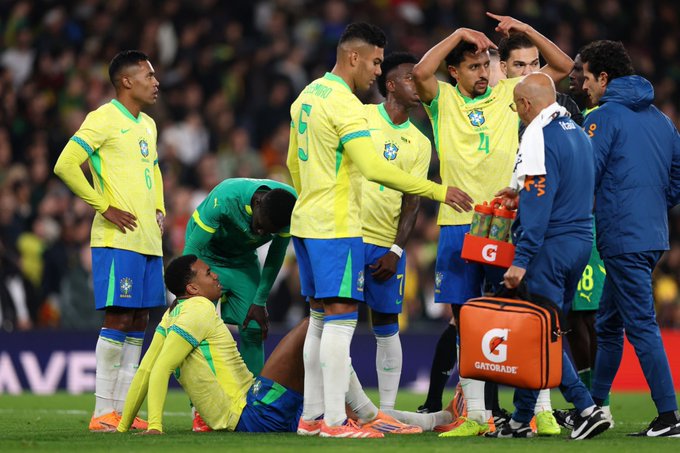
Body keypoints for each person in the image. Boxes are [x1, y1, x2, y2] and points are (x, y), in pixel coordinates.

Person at [286, 22, 472, 438]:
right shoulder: (349, 106)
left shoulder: (308, 95)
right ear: (353, 56)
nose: (376, 70)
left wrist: (311, 198)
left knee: (318, 319)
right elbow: (372, 168)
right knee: (339, 320)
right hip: (337, 224)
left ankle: (313, 416)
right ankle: (335, 421)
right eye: (373, 61)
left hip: (308, 220)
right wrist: (438, 190)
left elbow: (293, 163)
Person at [412, 12, 573, 437]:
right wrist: (459, 33)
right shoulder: (442, 100)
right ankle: (478, 417)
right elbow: (419, 71)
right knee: (467, 320)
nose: (484, 73)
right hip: (457, 224)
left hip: (503, 222)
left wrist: (525, 30)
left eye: (487, 64)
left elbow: (562, 69)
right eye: (474, 66)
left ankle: (542, 410)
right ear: (455, 71)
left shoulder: (508, 94)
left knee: (527, 313)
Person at [117, 255, 445, 435]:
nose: (215, 276)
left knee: (341, 409)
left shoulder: (171, 315)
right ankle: (370, 413)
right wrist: (155, 427)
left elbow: (146, 369)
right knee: (312, 326)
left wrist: (123, 424)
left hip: (256, 408)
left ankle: (436, 419)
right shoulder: (200, 309)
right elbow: (158, 369)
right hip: (250, 410)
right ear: (192, 288)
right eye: (207, 273)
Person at [490, 72, 610, 440]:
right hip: (579, 243)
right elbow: (561, 186)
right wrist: (519, 193)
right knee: (540, 329)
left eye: (515, 106)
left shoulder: (537, 133)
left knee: (543, 334)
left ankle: (586, 408)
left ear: (526, 104)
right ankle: (521, 418)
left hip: (548, 248)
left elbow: (540, 201)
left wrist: (522, 259)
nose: (517, 113)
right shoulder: (576, 130)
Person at [53, 50, 163, 432]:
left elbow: (155, 168)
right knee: (118, 316)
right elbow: (65, 164)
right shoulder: (102, 119)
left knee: (139, 320)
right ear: (127, 82)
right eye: (148, 75)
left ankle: (124, 410)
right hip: (118, 238)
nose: (156, 81)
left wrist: (160, 207)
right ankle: (103, 411)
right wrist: (104, 206)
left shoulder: (148, 124)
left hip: (149, 238)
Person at [580, 40, 680, 437]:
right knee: (608, 323)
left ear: (603, 78)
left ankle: (670, 415)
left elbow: (585, 172)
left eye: (586, 77)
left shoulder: (603, 118)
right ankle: (596, 406)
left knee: (640, 323)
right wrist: (651, 203)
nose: (584, 86)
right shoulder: (661, 119)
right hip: (652, 233)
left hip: (622, 235)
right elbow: (677, 177)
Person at [361, 52, 432, 411]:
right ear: (390, 85)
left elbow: (413, 201)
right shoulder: (360, 119)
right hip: (347, 236)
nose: (417, 86)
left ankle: (386, 410)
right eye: (409, 79)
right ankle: (330, 408)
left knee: (387, 323)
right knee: (333, 319)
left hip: (384, 245)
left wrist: (396, 250)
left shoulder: (420, 143)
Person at [183, 178, 297, 377]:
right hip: (206, 255)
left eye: (269, 232)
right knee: (196, 325)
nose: (260, 233)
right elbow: (192, 249)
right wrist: (184, 289)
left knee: (254, 327)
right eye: (261, 225)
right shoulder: (226, 198)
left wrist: (260, 301)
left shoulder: (290, 206)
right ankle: (199, 403)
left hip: (242, 260)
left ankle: (251, 398)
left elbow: (275, 256)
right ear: (257, 203)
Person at [552, 52, 608, 430]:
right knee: (576, 319)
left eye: (580, 74)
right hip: (583, 227)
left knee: (582, 317)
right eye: (572, 74)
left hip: (585, 227)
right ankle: (593, 402)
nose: (575, 80)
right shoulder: (584, 121)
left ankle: (594, 403)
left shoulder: (592, 124)